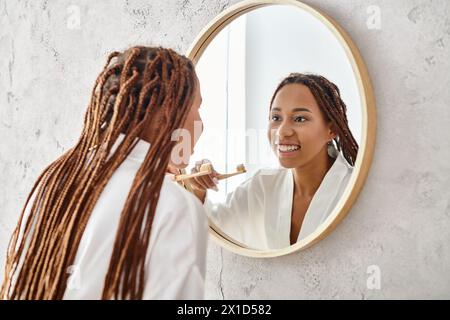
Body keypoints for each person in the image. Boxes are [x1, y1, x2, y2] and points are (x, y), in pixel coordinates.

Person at [1, 46, 208, 300]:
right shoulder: (173, 207)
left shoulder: (54, 183)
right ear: (167, 112)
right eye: (197, 107)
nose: (201, 124)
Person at [189, 73, 358, 250]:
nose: (282, 132)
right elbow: (212, 231)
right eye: (276, 118)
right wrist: (197, 191)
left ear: (331, 129)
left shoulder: (355, 190)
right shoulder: (262, 186)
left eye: (300, 119)